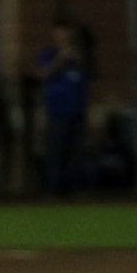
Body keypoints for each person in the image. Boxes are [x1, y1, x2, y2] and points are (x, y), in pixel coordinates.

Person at [34, 22, 89, 197]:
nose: (63, 38)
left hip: (77, 110)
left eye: (66, 34)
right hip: (58, 111)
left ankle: (73, 187)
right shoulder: (49, 54)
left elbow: (87, 76)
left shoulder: (77, 57)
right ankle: (55, 189)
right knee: (57, 149)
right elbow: (43, 75)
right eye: (59, 34)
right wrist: (60, 59)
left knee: (75, 150)